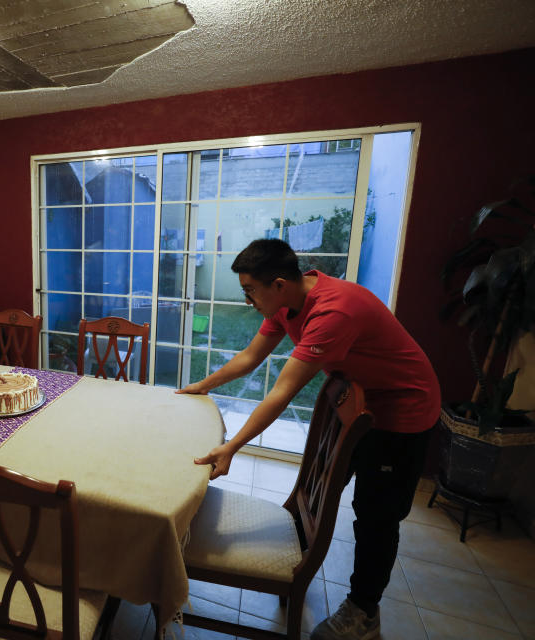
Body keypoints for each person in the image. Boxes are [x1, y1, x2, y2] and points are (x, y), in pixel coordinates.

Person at [177, 239, 439, 640]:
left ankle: (364, 613)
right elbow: (250, 357)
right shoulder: (288, 301)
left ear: (278, 284)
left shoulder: (334, 311)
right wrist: (202, 384)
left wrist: (233, 447)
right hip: (362, 400)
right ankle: (297, 555)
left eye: (250, 291)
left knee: (376, 515)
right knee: (327, 489)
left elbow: (281, 392)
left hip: (404, 410)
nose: (247, 300)